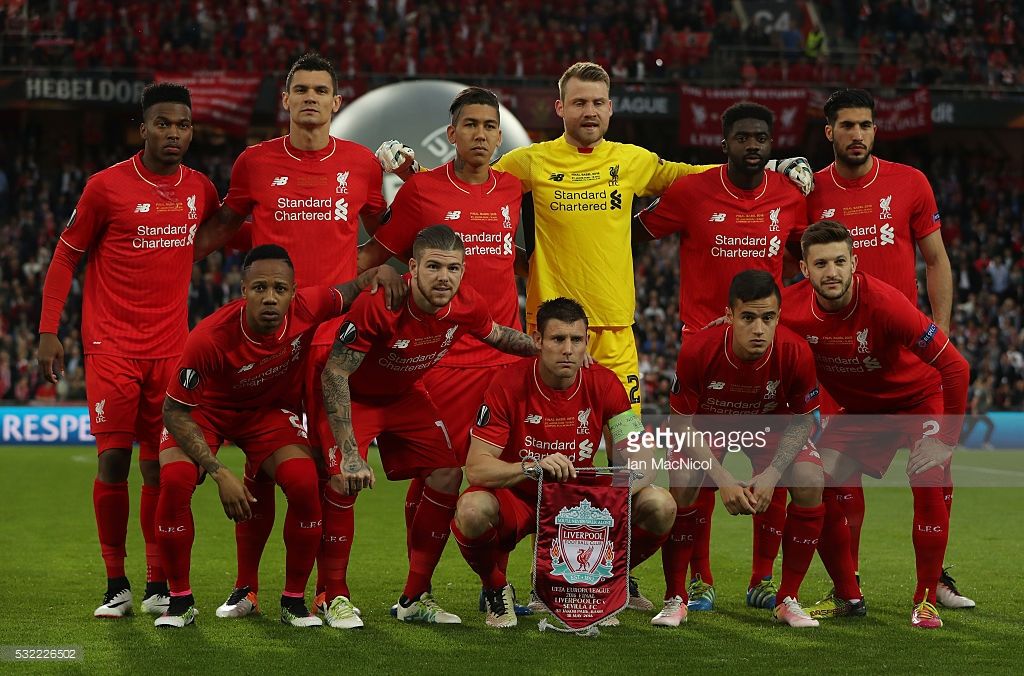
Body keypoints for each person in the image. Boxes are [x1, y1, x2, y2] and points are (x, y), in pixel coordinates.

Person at [379, 62, 814, 609]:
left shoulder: (631, 162)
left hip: (616, 340)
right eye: (578, 102)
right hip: (552, 338)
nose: (589, 111)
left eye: (598, 102)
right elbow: (468, 173)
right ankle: (535, 575)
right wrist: (407, 164)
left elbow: (697, 175)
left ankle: (615, 573)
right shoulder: (530, 163)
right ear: (560, 109)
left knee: (633, 467)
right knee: (538, 458)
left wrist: (765, 163)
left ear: (611, 109)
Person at [193, 52, 390, 619]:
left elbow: (390, 235)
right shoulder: (254, 162)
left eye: (320, 90)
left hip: (333, 343)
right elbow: (225, 226)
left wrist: (357, 277)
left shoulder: (359, 165)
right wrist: (166, 262)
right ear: (285, 99)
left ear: (336, 101)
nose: (309, 97)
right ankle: (247, 588)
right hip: (268, 338)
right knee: (260, 464)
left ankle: (334, 592)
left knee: (335, 468)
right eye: (299, 88)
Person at [37, 83, 219, 619]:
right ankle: (116, 582)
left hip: (171, 352)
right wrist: (50, 329)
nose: (173, 133)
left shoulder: (200, 189)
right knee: (113, 461)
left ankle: (158, 582)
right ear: (143, 128)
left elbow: (229, 231)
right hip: (111, 347)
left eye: (183, 125)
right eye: (162, 123)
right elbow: (65, 256)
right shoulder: (105, 188)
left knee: (160, 471)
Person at [153, 244, 399, 628]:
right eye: (260, 288)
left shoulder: (310, 307)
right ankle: (180, 602)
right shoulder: (209, 338)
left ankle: (293, 602)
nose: (270, 297)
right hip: (205, 414)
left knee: (303, 483)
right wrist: (219, 472)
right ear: (243, 291)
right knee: (175, 479)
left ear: (294, 293)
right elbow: (174, 410)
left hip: (265, 413)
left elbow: (353, 287)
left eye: (280, 289)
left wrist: (379, 273)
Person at [356, 87, 531, 616]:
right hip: (444, 359)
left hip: (505, 356)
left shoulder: (511, 190)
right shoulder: (422, 192)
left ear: (500, 138)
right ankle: (420, 591)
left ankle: (492, 581)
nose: (480, 134)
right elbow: (380, 250)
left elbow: (515, 259)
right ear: (451, 134)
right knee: (438, 476)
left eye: (489, 126)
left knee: (508, 481)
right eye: (469, 125)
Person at [633, 102, 808, 612]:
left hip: (766, 352)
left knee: (769, 466)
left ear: (771, 145)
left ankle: (761, 578)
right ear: (724, 143)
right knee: (694, 474)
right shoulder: (691, 192)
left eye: (761, 138)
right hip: (703, 351)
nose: (752, 146)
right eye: (742, 138)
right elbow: (634, 234)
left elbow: (803, 250)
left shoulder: (789, 196)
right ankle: (700, 580)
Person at [319, 225, 539, 627]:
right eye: (434, 266)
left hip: (404, 394)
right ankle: (332, 595)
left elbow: (499, 336)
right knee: (341, 479)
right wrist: (351, 454)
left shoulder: (466, 303)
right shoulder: (381, 303)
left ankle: (413, 597)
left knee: (446, 473)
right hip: (357, 395)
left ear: (463, 270)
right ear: (414, 266)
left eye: (453, 268)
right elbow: (335, 374)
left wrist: (546, 347)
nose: (444, 277)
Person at [804, 89, 969, 609]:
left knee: (933, 471)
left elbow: (937, 260)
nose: (857, 134)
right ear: (828, 131)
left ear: (876, 131)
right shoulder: (810, 191)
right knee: (835, 480)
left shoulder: (910, 183)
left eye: (866, 125)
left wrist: (938, 332)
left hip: (905, 364)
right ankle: (846, 587)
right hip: (842, 371)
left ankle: (936, 581)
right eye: (847, 125)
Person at [781, 220, 969, 628]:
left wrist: (947, 441)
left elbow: (955, 366)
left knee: (928, 474)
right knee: (814, 481)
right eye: (821, 264)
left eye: (839, 261)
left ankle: (925, 598)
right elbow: (749, 320)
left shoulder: (885, 303)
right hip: (863, 412)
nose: (831, 271)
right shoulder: (788, 307)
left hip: (919, 399)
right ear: (804, 268)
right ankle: (848, 596)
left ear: (854, 263)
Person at [452, 297, 675, 628]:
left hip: (581, 501)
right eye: (558, 339)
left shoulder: (605, 382)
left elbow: (644, 458)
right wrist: (531, 466)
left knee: (661, 504)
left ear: (587, 342)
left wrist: (607, 503)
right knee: (471, 510)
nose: (568, 349)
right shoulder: (507, 383)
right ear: (538, 341)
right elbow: (477, 467)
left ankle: (608, 579)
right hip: (523, 497)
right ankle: (496, 588)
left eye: (577, 340)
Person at [654, 270, 823, 628]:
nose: (759, 329)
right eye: (748, 317)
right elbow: (680, 426)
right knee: (684, 478)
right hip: (710, 424)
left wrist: (774, 473)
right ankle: (676, 597)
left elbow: (804, 420)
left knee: (810, 477)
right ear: (729, 316)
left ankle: (786, 599)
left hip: (770, 425)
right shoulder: (699, 350)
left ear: (779, 316)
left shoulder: (795, 351)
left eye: (768, 318)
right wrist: (724, 479)